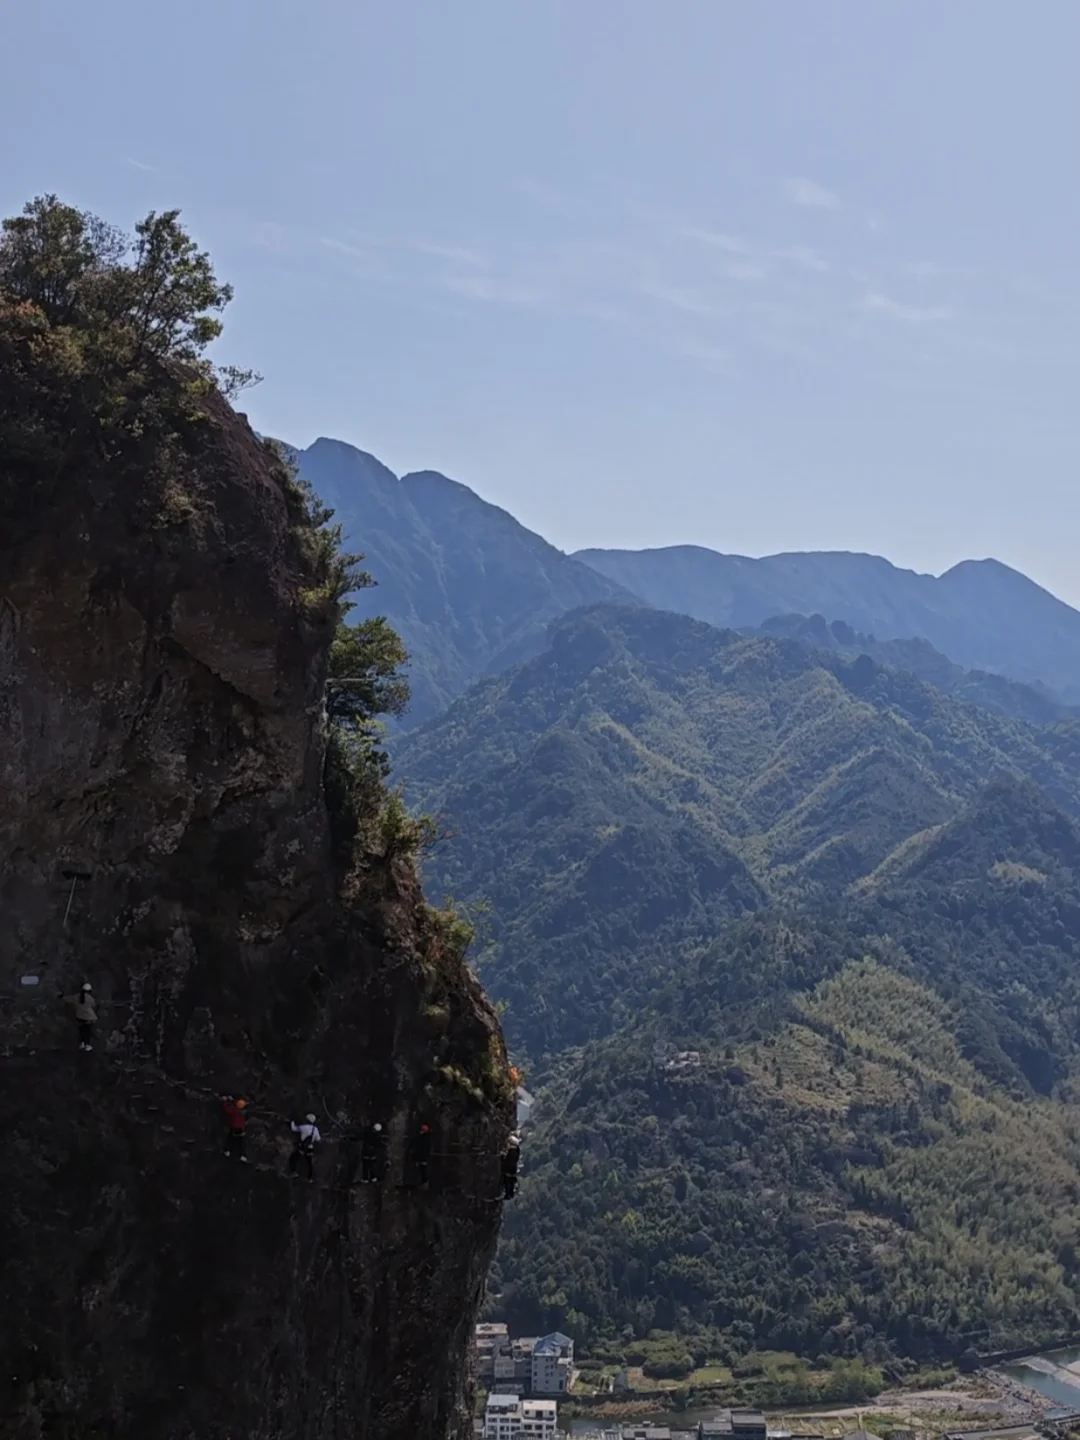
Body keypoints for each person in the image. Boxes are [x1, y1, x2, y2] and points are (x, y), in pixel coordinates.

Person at [63, 983, 98, 1052]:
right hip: (89, 1018)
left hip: (79, 1017)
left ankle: (82, 1043)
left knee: (82, 1030)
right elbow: (94, 1005)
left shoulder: (76, 996)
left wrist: (62, 996)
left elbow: (69, 999)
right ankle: (87, 1045)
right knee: (87, 1031)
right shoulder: (90, 998)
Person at [289, 1113, 321, 1182]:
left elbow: (293, 1128)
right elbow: (318, 1139)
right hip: (310, 1148)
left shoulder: (303, 1127)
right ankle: (310, 1178)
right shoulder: (315, 1129)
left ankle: (294, 1172)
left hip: (302, 1147)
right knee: (309, 1163)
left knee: (293, 1158)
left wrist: (292, 1121)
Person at [405, 1122, 432, 1188]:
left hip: (421, 1156)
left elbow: (426, 1148)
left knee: (421, 1170)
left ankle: (421, 1183)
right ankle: (417, 1183)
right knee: (418, 1170)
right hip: (418, 1156)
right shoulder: (420, 1137)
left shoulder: (424, 1138)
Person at [222, 1096, 248, 1162]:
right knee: (239, 1142)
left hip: (236, 1127)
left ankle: (228, 1151)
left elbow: (227, 1110)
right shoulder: (240, 1110)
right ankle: (241, 1155)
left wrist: (225, 1102)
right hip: (239, 1128)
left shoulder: (235, 1109)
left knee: (232, 1140)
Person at [501, 1133, 522, 1200]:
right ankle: (510, 1193)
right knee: (510, 1181)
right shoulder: (517, 1151)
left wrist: (503, 1158)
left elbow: (508, 1160)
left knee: (507, 1181)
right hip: (512, 1169)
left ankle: (508, 1193)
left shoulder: (512, 1151)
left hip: (508, 1168)